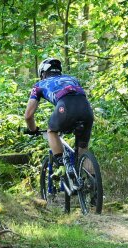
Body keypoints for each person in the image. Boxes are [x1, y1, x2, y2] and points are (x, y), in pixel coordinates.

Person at [24, 58, 94, 187]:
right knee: (82, 148)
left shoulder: (39, 84)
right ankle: (94, 187)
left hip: (65, 109)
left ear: (42, 73)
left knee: (52, 131)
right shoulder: (72, 79)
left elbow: (28, 115)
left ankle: (61, 164)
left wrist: (33, 129)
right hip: (86, 110)